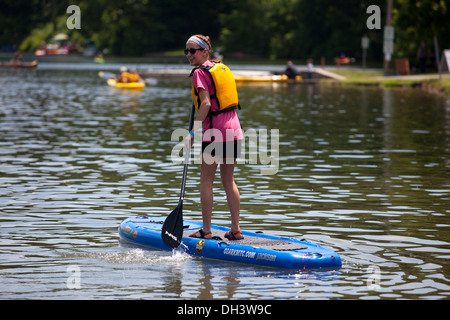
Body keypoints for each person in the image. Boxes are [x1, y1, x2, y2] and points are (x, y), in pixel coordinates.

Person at [185, 34, 244, 240]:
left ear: (205, 52)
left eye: (193, 51)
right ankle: (235, 229)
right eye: (187, 51)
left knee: (206, 179)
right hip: (235, 130)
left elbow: (206, 104)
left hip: (215, 132)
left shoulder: (199, 74)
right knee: (228, 180)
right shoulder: (220, 67)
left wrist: (192, 132)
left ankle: (207, 231)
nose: (189, 55)